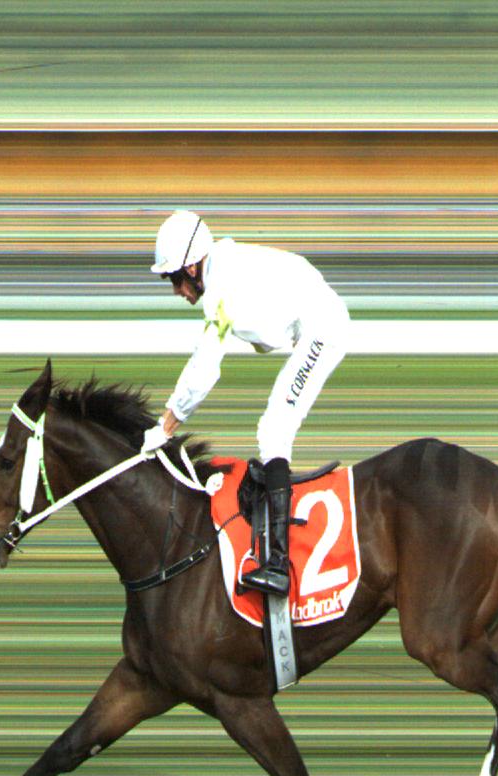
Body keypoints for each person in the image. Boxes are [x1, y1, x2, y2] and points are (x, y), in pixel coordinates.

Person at [148, 211, 354, 643]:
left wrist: (165, 427)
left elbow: (204, 369)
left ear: (192, 268)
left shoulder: (220, 289)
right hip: (313, 319)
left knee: (274, 429)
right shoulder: (222, 268)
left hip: (323, 328)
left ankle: (277, 563)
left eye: (175, 280)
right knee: (271, 427)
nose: (176, 291)